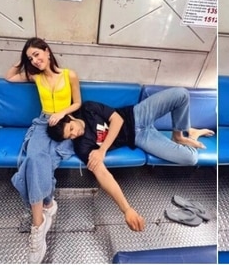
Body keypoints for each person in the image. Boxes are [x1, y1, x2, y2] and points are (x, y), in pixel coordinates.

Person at [46, 87, 214, 231]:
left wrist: (102, 150)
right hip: (140, 136)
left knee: (181, 94)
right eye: (70, 136)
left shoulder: (88, 108)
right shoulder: (81, 146)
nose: (75, 134)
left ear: (71, 118)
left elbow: (117, 120)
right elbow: (102, 175)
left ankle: (178, 135)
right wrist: (126, 210)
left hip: (137, 114)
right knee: (191, 157)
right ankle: (187, 135)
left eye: (72, 129)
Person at [5, 37, 81, 263]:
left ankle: (43, 212)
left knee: (41, 162)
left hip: (65, 123)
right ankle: (42, 216)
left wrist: (62, 113)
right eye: (31, 58)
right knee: (34, 158)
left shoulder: (70, 74)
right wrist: (21, 61)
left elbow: (78, 103)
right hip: (43, 123)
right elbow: (8, 76)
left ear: (47, 52)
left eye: (37, 54)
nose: (35, 60)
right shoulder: (34, 76)